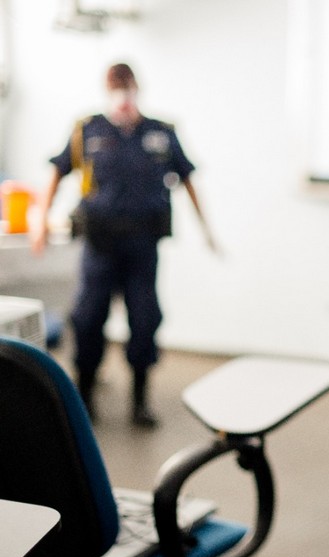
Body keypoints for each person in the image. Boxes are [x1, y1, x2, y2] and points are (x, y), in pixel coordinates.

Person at [31, 62, 216, 428]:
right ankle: (83, 398)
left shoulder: (161, 133)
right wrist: (40, 220)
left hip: (142, 246)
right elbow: (57, 170)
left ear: (138, 90)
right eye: (116, 89)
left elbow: (188, 179)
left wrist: (206, 229)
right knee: (87, 319)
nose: (123, 97)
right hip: (100, 245)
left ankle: (140, 401)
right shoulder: (88, 129)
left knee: (145, 319)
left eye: (128, 89)